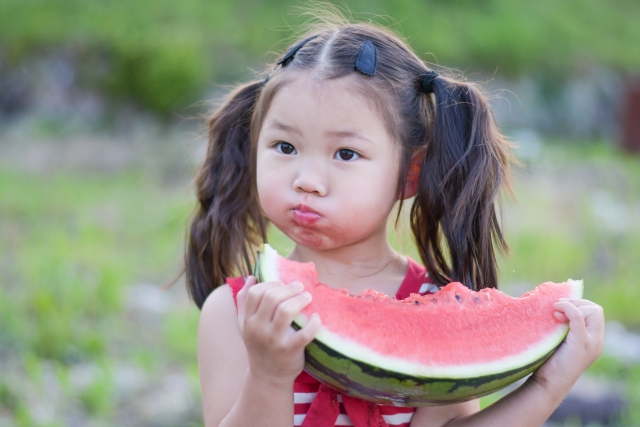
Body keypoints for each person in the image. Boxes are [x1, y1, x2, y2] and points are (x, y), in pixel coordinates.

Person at [184, 12, 605, 427]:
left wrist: (549, 385)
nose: (307, 181)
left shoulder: (437, 305)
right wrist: (269, 374)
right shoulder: (235, 311)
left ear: (409, 175)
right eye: (284, 146)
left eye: (345, 154)